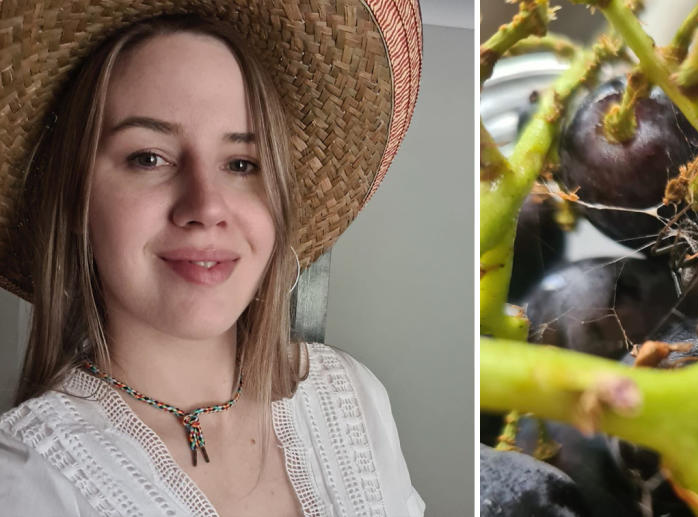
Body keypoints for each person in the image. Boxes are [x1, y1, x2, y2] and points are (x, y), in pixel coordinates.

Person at [0, 1, 423, 516]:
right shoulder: (27, 479)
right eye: (148, 158)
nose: (206, 206)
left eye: (242, 163)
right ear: (74, 199)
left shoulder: (352, 399)